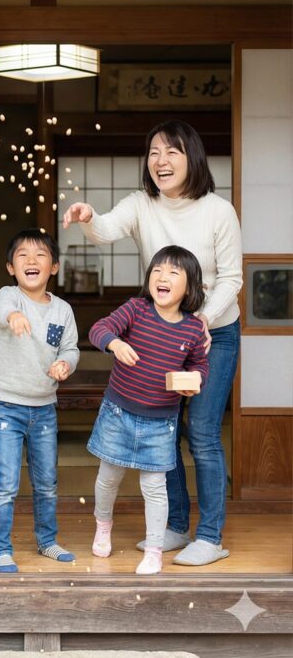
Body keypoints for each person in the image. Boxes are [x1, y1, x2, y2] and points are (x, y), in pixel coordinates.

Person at [62, 119, 241, 566]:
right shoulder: (141, 204)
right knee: (167, 429)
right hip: (163, 329)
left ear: (192, 157)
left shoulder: (219, 211)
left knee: (203, 432)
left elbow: (232, 278)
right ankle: (176, 525)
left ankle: (210, 536)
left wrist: (201, 320)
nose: (160, 161)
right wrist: (87, 217)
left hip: (214, 331)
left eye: (171, 151)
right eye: (154, 152)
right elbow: (105, 228)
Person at [87, 245, 209, 575]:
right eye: (157, 270)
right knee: (108, 479)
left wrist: (194, 380)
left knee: (155, 488)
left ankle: (154, 550)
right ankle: (103, 526)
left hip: (161, 422)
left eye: (173, 272)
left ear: (190, 286)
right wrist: (115, 343)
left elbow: (200, 365)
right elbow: (98, 329)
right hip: (118, 413)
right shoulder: (136, 309)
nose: (162, 277)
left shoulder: (193, 329)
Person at [0, 229, 79, 574]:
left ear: (53, 267)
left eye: (40, 255)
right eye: (22, 255)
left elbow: (70, 348)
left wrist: (65, 363)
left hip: (44, 409)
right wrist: (13, 316)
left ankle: (47, 540)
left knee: (47, 483)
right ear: (11, 267)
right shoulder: (9, 296)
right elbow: (0, 310)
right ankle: (1, 550)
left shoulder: (63, 310)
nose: (31, 260)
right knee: (5, 485)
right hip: (5, 407)